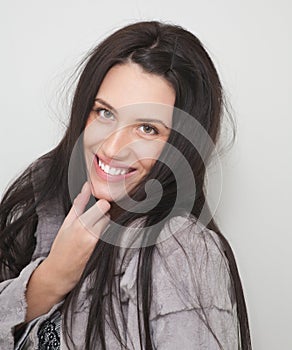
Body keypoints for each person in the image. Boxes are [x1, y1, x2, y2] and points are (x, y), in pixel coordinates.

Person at [0, 21, 252, 349]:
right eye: (104, 113)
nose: (111, 148)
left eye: (147, 128)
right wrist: (49, 280)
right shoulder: (41, 203)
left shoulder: (180, 251)